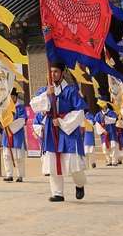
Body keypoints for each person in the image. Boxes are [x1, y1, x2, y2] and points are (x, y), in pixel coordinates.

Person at [31, 60, 88, 202]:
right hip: (51, 129)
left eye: (56, 71)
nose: (53, 74)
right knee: (52, 160)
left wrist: (62, 122)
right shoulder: (44, 91)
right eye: (51, 71)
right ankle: (57, 193)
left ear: (62, 73)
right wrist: (46, 94)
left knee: (74, 163)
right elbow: (34, 106)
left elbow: (80, 112)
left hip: (67, 129)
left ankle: (79, 184)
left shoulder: (71, 90)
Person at [1, 89, 27, 182]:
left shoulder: (20, 107)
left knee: (19, 156)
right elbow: (1, 118)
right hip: (7, 134)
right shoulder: (5, 107)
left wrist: (10, 127)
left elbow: (22, 120)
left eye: (13, 97)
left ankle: (20, 175)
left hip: (16, 134)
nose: (11, 98)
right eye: (10, 97)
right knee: (6, 155)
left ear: (16, 97)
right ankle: (9, 174)